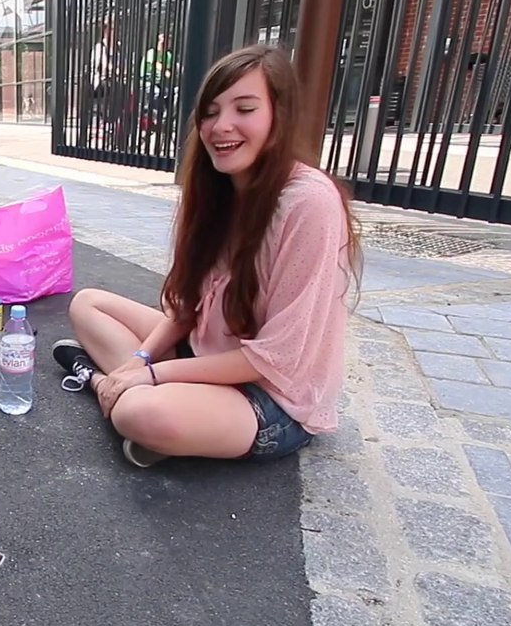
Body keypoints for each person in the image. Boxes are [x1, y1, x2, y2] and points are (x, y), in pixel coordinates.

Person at [52, 44, 362, 466]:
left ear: (278, 115)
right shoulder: (214, 190)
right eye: (212, 112)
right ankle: (132, 394)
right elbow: (186, 310)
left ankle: (116, 392)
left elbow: (275, 358)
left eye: (245, 109)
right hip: (203, 354)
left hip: (270, 396)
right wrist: (141, 360)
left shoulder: (309, 203)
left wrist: (151, 375)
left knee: (138, 411)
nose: (222, 126)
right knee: (87, 303)